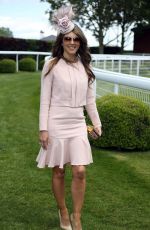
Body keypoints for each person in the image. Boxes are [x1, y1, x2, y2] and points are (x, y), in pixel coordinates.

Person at [36, 5, 102, 230]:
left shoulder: (86, 66)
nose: (72, 42)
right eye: (67, 39)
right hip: (55, 123)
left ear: (81, 42)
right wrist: (43, 129)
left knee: (80, 171)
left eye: (76, 39)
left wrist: (97, 123)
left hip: (77, 123)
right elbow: (45, 100)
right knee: (59, 170)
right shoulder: (51, 65)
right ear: (61, 42)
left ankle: (77, 215)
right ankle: (63, 211)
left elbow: (90, 100)